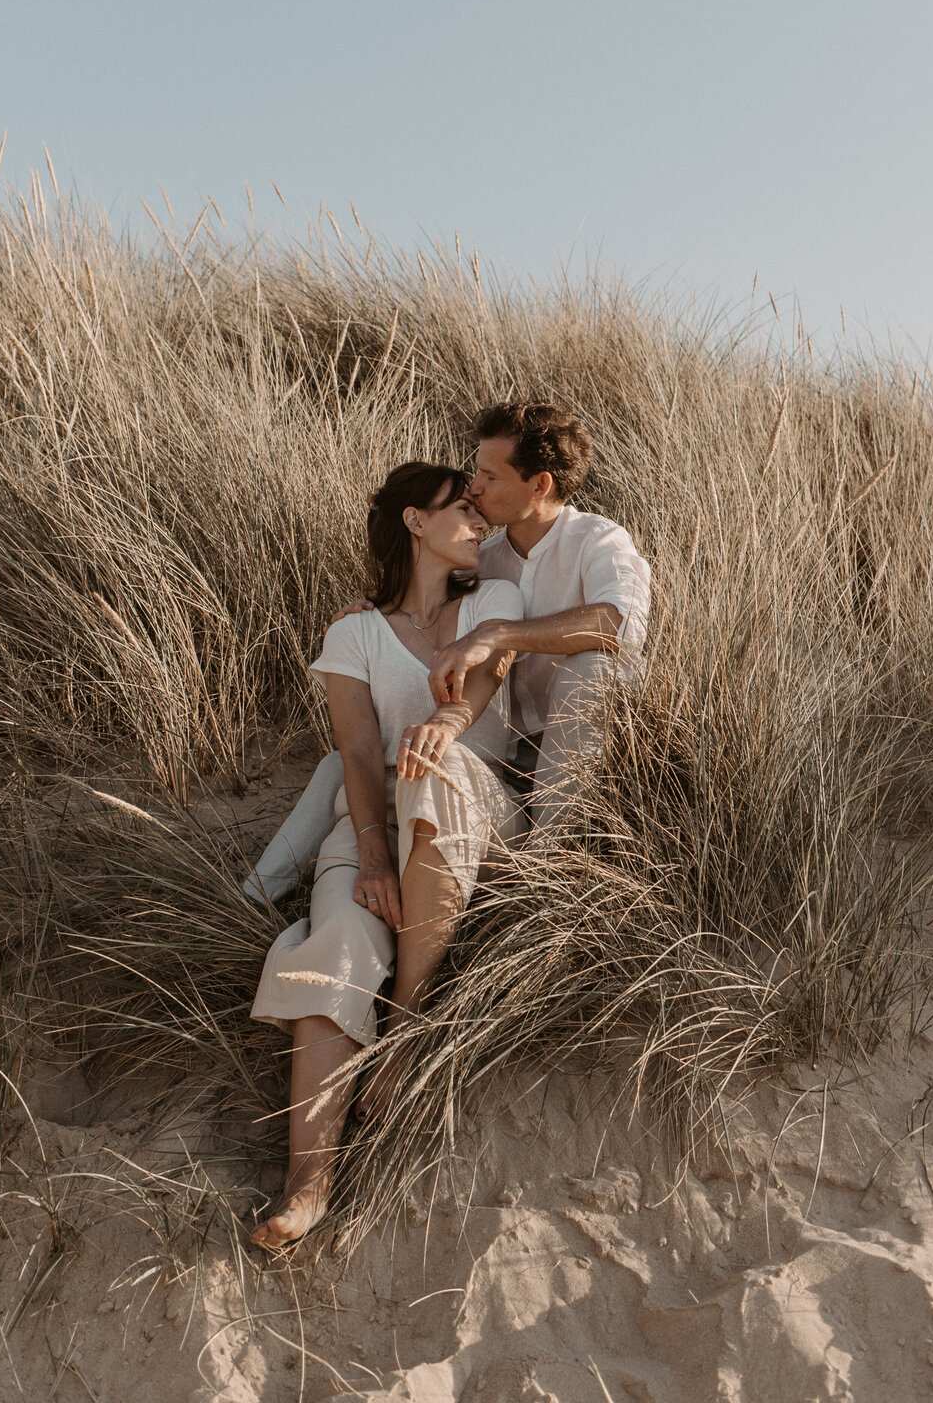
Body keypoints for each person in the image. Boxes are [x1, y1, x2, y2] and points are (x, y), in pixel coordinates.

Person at [247, 462, 524, 1249]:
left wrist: (445, 717)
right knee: (334, 946)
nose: (481, 524)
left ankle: (401, 1030)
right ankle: (307, 1188)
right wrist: (370, 856)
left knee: (434, 764)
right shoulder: (354, 632)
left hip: (477, 809)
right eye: (463, 511)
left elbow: (483, 681)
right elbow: (359, 755)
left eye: (482, 511)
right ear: (414, 522)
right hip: (376, 827)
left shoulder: (495, 601)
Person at [243, 403, 650, 907]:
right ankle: (253, 900)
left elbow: (616, 624)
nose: (474, 488)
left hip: (572, 752)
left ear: (539, 485)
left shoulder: (599, 540)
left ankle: (547, 876)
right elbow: (424, 596)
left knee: (592, 667)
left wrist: (500, 633)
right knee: (339, 765)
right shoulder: (488, 558)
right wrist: (369, 615)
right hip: (493, 753)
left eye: (487, 474)